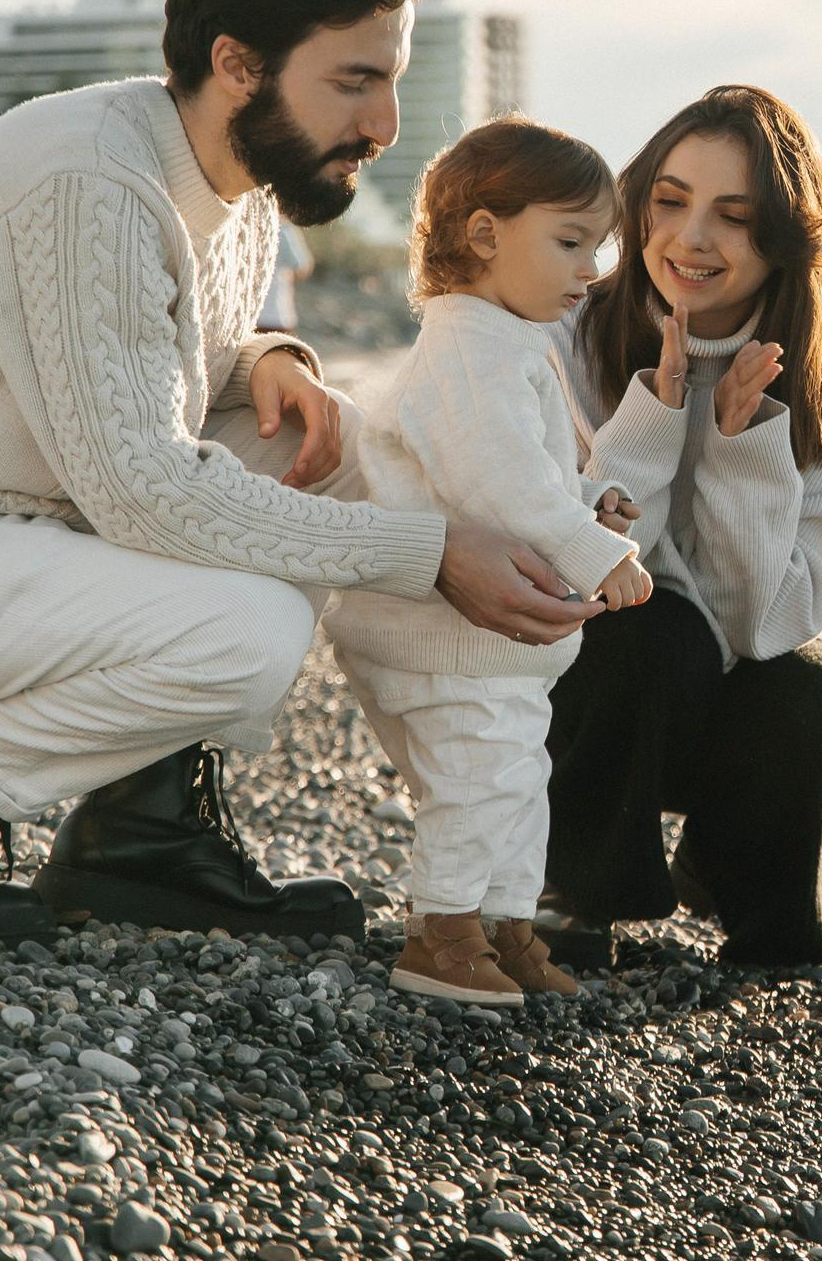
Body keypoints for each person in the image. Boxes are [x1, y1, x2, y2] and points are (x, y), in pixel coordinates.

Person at [0, 0, 604, 947]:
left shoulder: (234, 190)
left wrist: (263, 362)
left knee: (327, 443)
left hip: (1, 518)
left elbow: (126, 368)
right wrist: (429, 554)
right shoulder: (86, 180)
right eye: (356, 80)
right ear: (238, 63)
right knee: (244, 641)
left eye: (388, 80)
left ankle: (142, 832)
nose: (386, 127)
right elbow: (142, 485)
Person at [547, 84, 822, 966]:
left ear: (784, 238)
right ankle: (574, 895)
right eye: (670, 201)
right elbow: (579, 562)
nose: (691, 238)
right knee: (653, 630)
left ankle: (733, 875)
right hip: (572, 688)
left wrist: (743, 455)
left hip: (713, 689)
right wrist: (653, 418)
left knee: (815, 702)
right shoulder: (566, 338)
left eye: (734, 216)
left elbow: (761, 628)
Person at [323, 115, 653, 1005]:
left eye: (599, 246)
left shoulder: (505, 342)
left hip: (489, 643)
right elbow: (498, 484)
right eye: (572, 241)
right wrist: (595, 547)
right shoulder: (468, 347)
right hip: (439, 634)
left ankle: (507, 929)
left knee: (517, 777)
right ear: (484, 234)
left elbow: (519, 474)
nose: (593, 268)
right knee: (479, 777)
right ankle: (442, 933)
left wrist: (587, 500)